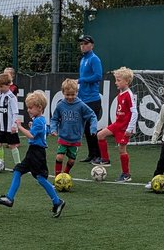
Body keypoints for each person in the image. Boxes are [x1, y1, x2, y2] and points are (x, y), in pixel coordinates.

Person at [0, 90, 65, 217]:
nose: (28, 110)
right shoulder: (39, 120)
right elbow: (43, 131)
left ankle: (57, 201)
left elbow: (32, 136)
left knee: (39, 178)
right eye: (28, 107)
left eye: (31, 108)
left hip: (37, 153)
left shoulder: (39, 121)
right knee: (19, 171)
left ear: (39, 107)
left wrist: (20, 127)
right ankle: (10, 198)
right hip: (34, 152)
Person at [49, 78, 97, 177]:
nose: (70, 97)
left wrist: (93, 128)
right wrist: (53, 129)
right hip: (63, 137)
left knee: (71, 160)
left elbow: (92, 115)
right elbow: (54, 119)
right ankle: (58, 177)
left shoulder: (81, 105)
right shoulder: (60, 105)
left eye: (73, 94)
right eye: (67, 95)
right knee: (59, 157)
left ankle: (65, 174)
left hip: (75, 138)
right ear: (63, 92)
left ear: (76, 92)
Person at [97, 67, 138, 180]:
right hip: (117, 124)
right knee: (100, 135)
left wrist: (129, 129)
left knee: (121, 149)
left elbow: (134, 113)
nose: (116, 82)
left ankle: (126, 174)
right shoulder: (121, 93)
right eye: (116, 80)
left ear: (127, 81)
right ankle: (105, 160)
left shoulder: (129, 94)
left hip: (124, 128)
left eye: (118, 80)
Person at [77, 34, 104, 163]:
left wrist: (81, 80)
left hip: (92, 99)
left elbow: (98, 76)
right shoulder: (83, 59)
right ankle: (91, 154)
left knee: (91, 127)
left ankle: (98, 155)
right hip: (83, 98)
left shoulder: (94, 59)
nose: (82, 46)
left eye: (85, 43)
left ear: (91, 45)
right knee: (86, 129)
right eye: (81, 43)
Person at [0, 71, 21, 168]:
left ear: (8, 85)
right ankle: (1, 163)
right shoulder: (1, 95)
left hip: (9, 127)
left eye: (1, 87)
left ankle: (18, 165)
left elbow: (15, 112)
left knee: (12, 145)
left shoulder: (11, 97)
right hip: (1, 127)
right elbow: (1, 111)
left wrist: (14, 125)